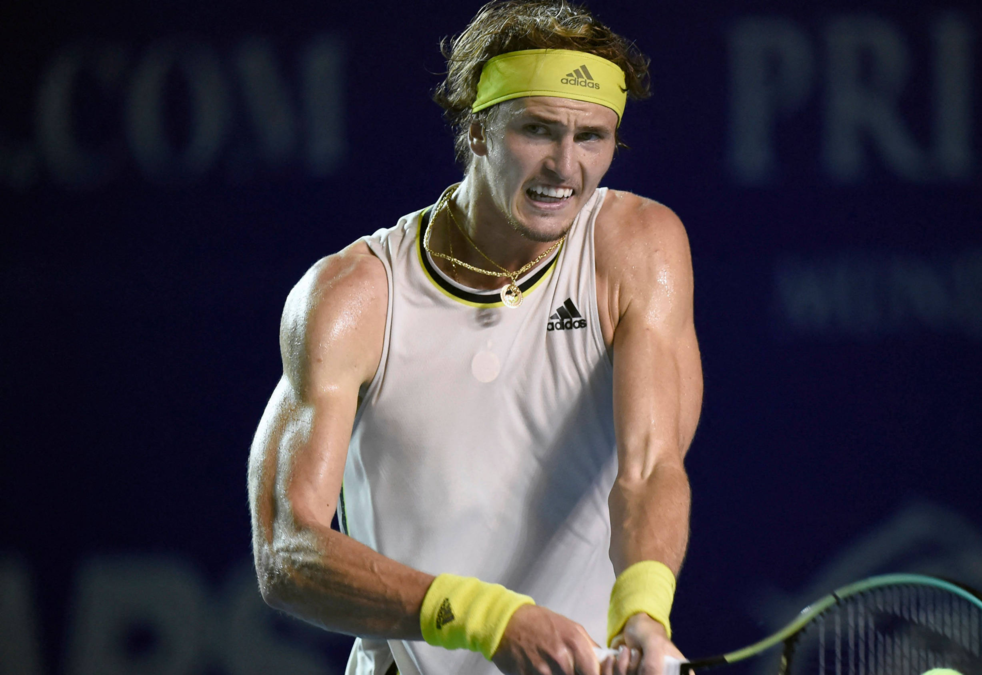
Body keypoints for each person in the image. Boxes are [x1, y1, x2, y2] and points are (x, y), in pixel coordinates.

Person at [246, 2, 702, 675]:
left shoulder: (638, 250)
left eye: (592, 137)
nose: (565, 167)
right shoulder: (354, 298)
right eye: (538, 130)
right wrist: (489, 621)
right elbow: (286, 550)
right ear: (479, 130)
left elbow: (652, 467)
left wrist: (644, 614)